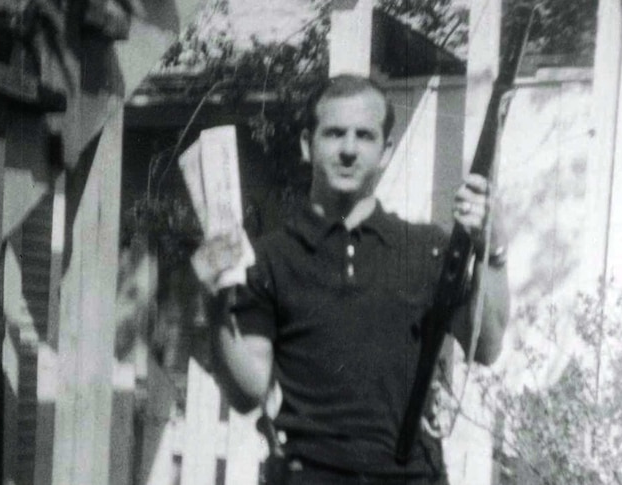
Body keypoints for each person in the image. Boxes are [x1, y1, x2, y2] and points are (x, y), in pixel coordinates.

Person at [206, 74, 510, 485]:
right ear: (306, 144)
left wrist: (492, 252)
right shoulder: (268, 258)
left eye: (364, 136)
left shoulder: (426, 248)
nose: (349, 150)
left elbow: (486, 346)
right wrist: (217, 300)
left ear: (385, 151)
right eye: (334, 134)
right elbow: (248, 391)